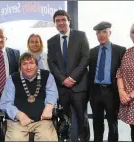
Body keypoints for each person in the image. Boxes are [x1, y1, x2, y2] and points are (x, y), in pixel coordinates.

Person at [47, 9, 90, 142]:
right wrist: (63, 80)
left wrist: (72, 78)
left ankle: (84, 140)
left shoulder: (81, 36)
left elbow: (85, 58)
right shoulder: (51, 41)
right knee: (66, 119)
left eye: (63, 20)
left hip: (79, 86)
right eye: (57, 21)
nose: (60, 23)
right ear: (54, 23)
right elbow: (52, 63)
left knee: (82, 118)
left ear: (68, 21)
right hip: (63, 88)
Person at [0, 52, 59, 141]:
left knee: (47, 137)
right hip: (17, 122)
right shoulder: (12, 78)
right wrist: (19, 115)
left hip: (42, 121)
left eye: (31, 63)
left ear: (36, 65)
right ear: (20, 66)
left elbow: (52, 93)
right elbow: (5, 103)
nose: (28, 67)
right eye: (24, 64)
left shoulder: (47, 76)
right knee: (16, 138)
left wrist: (49, 107)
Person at [88, 21, 126, 142]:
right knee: (97, 123)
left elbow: (124, 72)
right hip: (95, 92)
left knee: (112, 123)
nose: (101, 35)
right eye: (98, 33)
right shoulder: (92, 52)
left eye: (104, 31)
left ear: (110, 32)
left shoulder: (120, 50)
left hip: (112, 92)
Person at [0, 28, 20, 142]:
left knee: (13, 128)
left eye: (2, 37)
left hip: (12, 97)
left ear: (6, 38)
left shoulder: (15, 53)